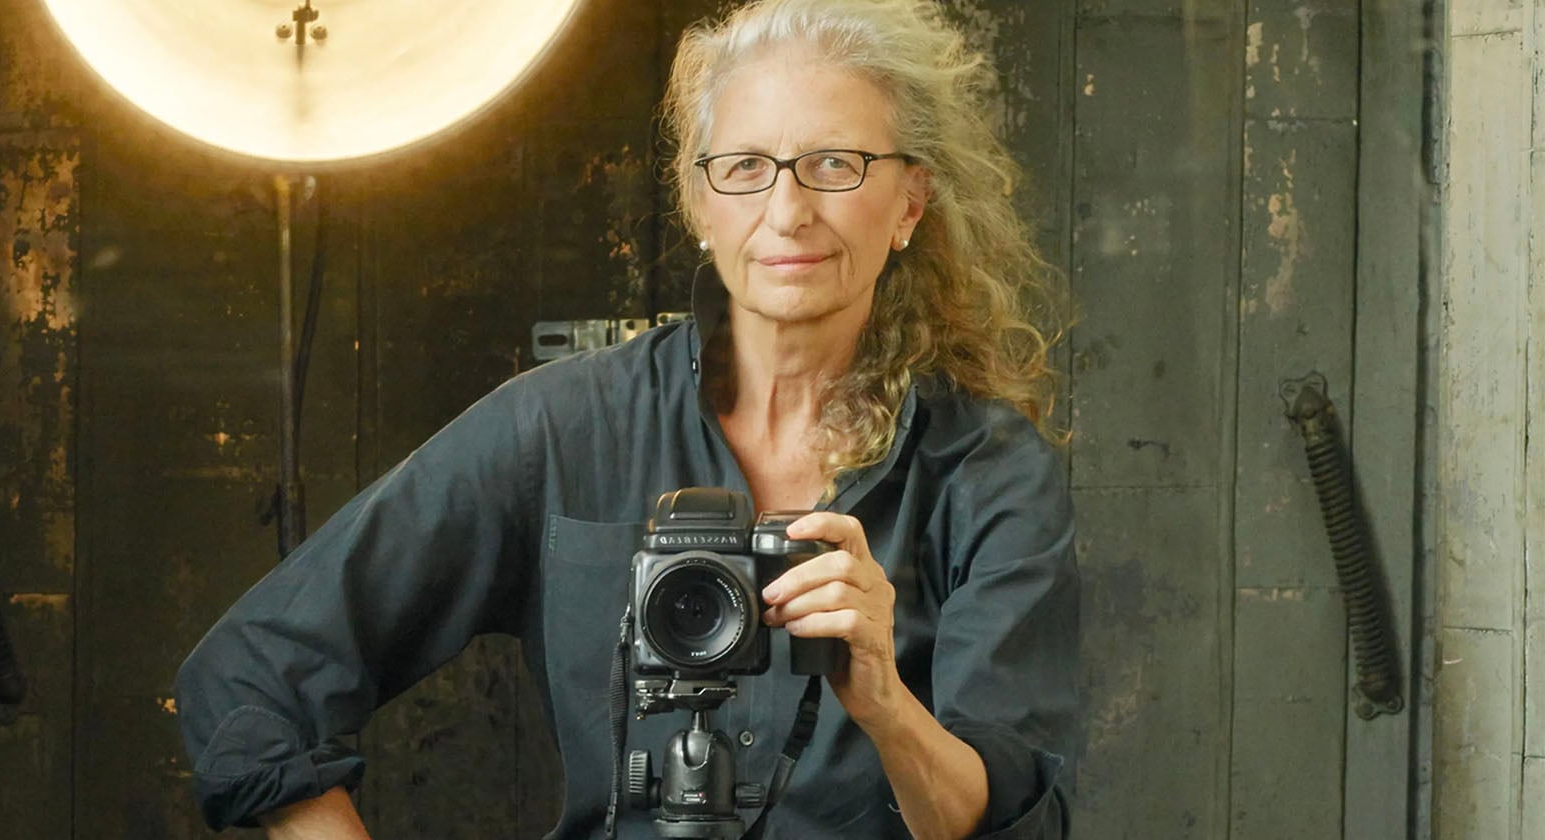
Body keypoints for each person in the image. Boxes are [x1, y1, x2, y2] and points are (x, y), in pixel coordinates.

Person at [175, 0, 1080, 837]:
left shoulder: (987, 471)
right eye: (745, 167)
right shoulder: (567, 427)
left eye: (836, 165)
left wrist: (884, 702)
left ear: (909, 205)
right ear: (699, 204)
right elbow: (253, 678)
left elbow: (1013, 821)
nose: (788, 211)